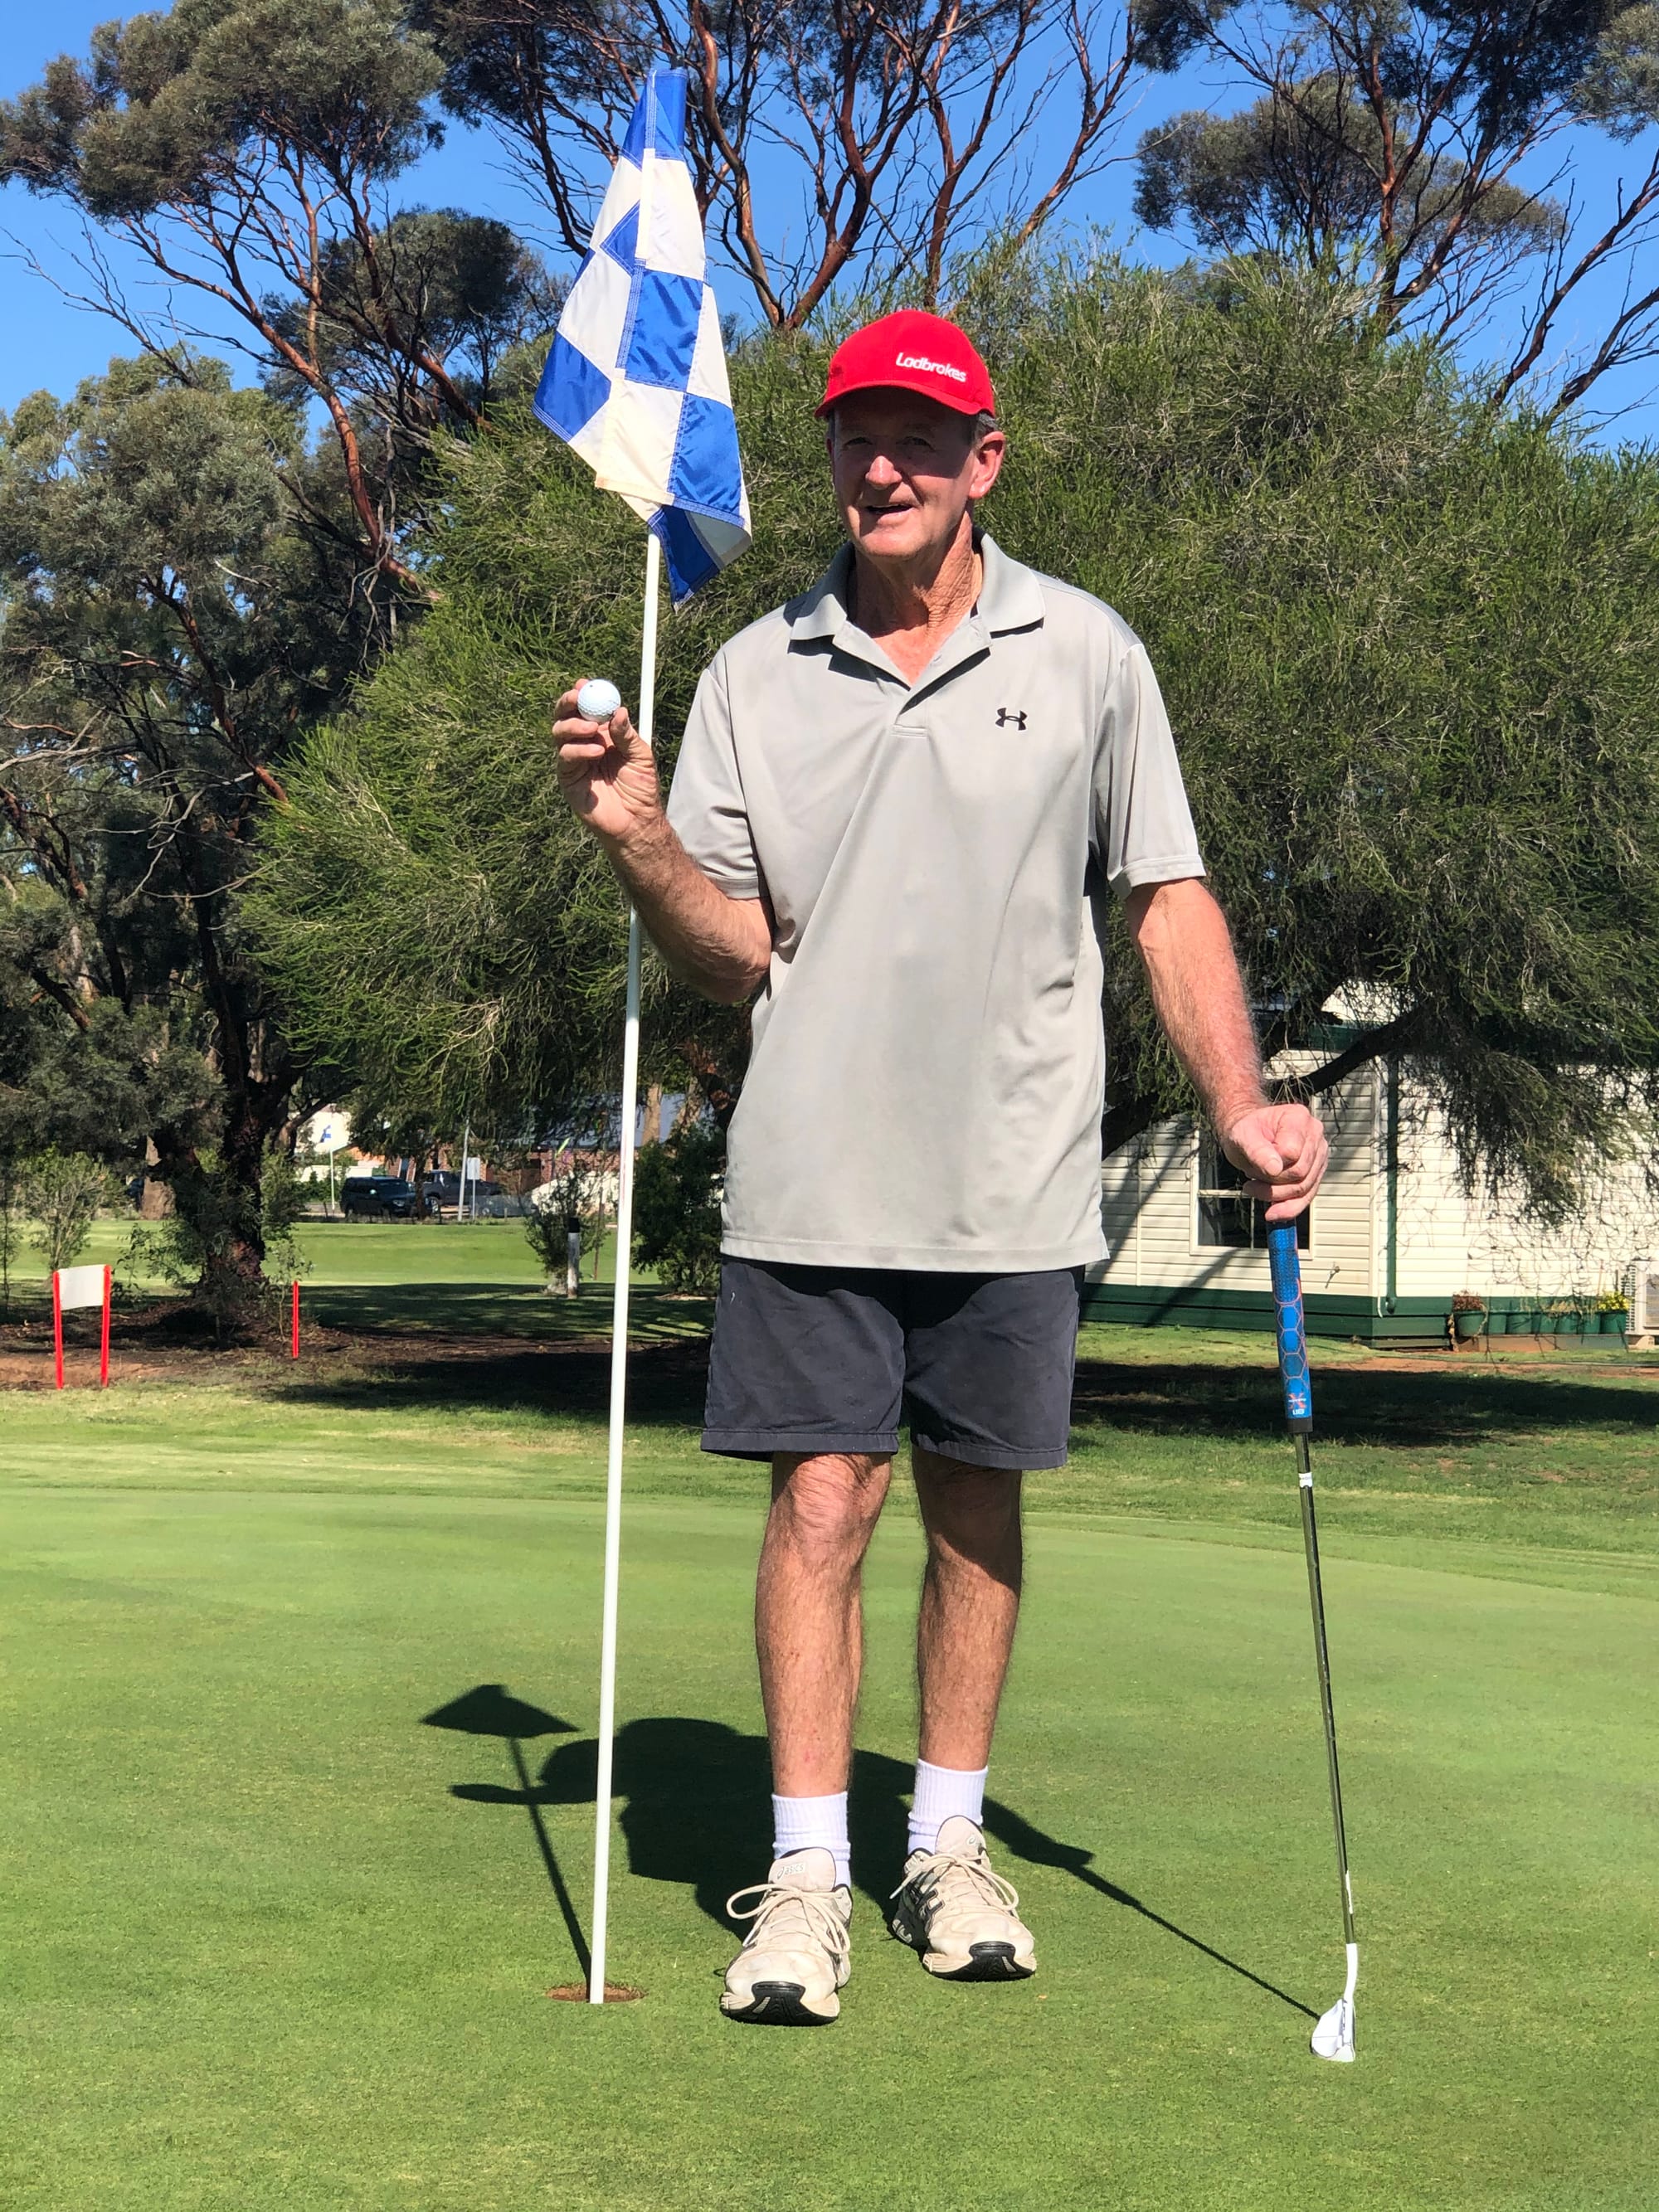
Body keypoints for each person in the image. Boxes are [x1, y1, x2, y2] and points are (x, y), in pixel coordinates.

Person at [552, 308, 1328, 2027]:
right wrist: (642, 836)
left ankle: (949, 1844)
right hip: (815, 1169)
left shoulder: (1088, 651)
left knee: (977, 1508)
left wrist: (1242, 1099)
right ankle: (810, 1876)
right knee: (824, 1498)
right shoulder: (759, 667)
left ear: (983, 461)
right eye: (852, 436)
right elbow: (730, 954)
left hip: (1015, 1173)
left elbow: (1168, 896)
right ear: (827, 456)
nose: (879, 465)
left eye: (917, 436)